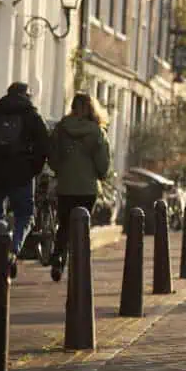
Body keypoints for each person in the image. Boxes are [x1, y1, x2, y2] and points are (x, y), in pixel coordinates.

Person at [0, 82, 51, 279]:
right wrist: (32, 169)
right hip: (22, 176)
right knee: (25, 215)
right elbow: (44, 146)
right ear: (26, 95)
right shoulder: (32, 117)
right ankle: (12, 251)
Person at [47, 93, 111, 282]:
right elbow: (103, 164)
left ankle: (58, 258)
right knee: (82, 225)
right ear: (92, 108)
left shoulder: (61, 128)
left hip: (66, 185)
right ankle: (79, 264)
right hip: (87, 188)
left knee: (64, 225)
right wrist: (100, 175)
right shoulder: (97, 132)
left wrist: (60, 169)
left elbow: (53, 155)